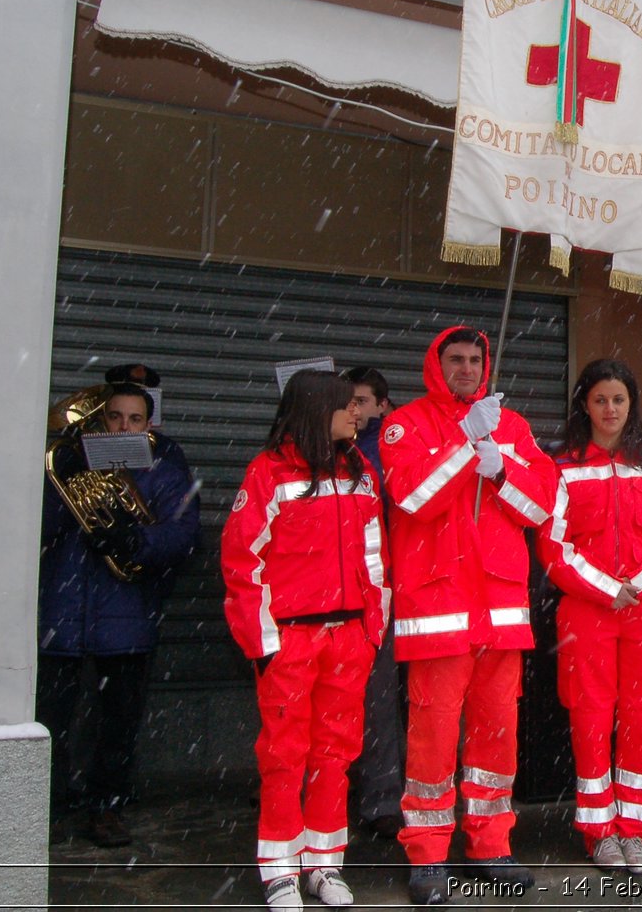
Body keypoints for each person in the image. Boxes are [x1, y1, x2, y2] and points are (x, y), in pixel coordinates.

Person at [378, 328, 555, 905]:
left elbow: (541, 507)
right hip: (439, 607)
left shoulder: (515, 426)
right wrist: (462, 446)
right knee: (432, 737)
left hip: (501, 609)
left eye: (475, 359)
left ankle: (491, 844)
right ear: (436, 363)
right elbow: (412, 497)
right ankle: (428, 853)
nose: (466, 368)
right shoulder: (404, 423)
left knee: (498, 732)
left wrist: (500, 468)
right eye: (455, 359)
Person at [221, 371, 388, 910]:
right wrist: (265, 644)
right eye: (347, 406)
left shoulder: (359, 471)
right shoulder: (267, 473)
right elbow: (242, 564)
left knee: (334, 756)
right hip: (290, 640)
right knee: (284, 756)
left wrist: (371, 628)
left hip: (348, 640)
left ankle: (323, 864)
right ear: (319, 410)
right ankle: (278, 871)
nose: (357, 413)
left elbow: (373, 558)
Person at [540, 359, 642, 875]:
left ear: (632, 406)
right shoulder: (562, 469)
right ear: (585, 403)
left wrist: (637, 588)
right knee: (590, 718)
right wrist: (609, 590)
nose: (610, 410)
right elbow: (553, 547)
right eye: (600, 399)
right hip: (588, 613)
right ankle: (599, 833)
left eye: (619, 400)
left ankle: (636, 829)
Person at [38, 380, 200, 848]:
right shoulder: (67, 465)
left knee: (117, 726)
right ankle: (47, 805)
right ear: (98, 421)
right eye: (114, 417)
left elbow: (185, 534)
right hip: (63, 616)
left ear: (148, 426)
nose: (123, 426)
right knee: (51, 719)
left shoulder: (164, 466)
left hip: (127, 618)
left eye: (134, 419)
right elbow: (33, 526)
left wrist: (136, 541)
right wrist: (65, 496)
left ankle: (106, 808)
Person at [340, 367, 403, 839]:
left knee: (386, 699)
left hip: (395, 585)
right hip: (348, 589)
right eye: (349, 402)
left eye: (364, 401)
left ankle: (386, 798)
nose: (356, 410)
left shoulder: (388, 444)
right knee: (362, 698)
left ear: (384, 405)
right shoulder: (333, 444)